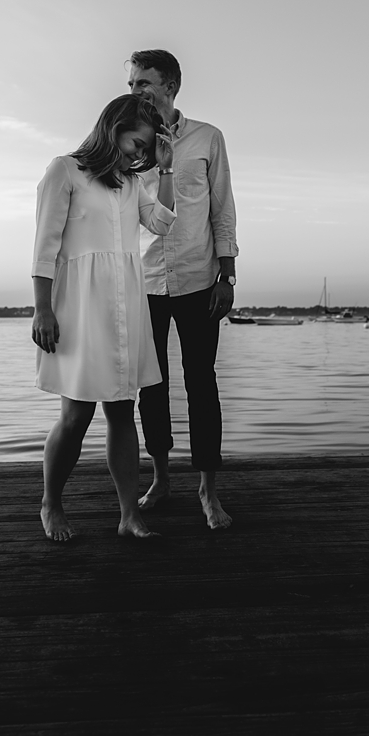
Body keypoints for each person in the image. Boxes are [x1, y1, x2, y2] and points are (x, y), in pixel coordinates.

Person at [31, 95, 176, 541]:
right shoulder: (64, 170)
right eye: (137, 142)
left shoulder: (131, 184)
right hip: (77, 304)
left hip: (123, 305)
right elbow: (45, 246)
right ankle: (50, 504)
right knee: (75, 414)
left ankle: (129, 514)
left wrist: (165, 170)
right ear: (114, 126)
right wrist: (42, 308)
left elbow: (163, 224)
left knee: (121, 410)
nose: (140, 153)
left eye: (146, 149)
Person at [128, 49, 238, 529]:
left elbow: (222, 206)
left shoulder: (207, 138)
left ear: (171, 85)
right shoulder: (129, 142)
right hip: (144, 282)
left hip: (199, 279)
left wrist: (228, 275)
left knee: (202, 385)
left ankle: (208, 491)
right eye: (132, 83)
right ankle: (160, 477)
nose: (136, 92)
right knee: (150, 388)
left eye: (145, 83)